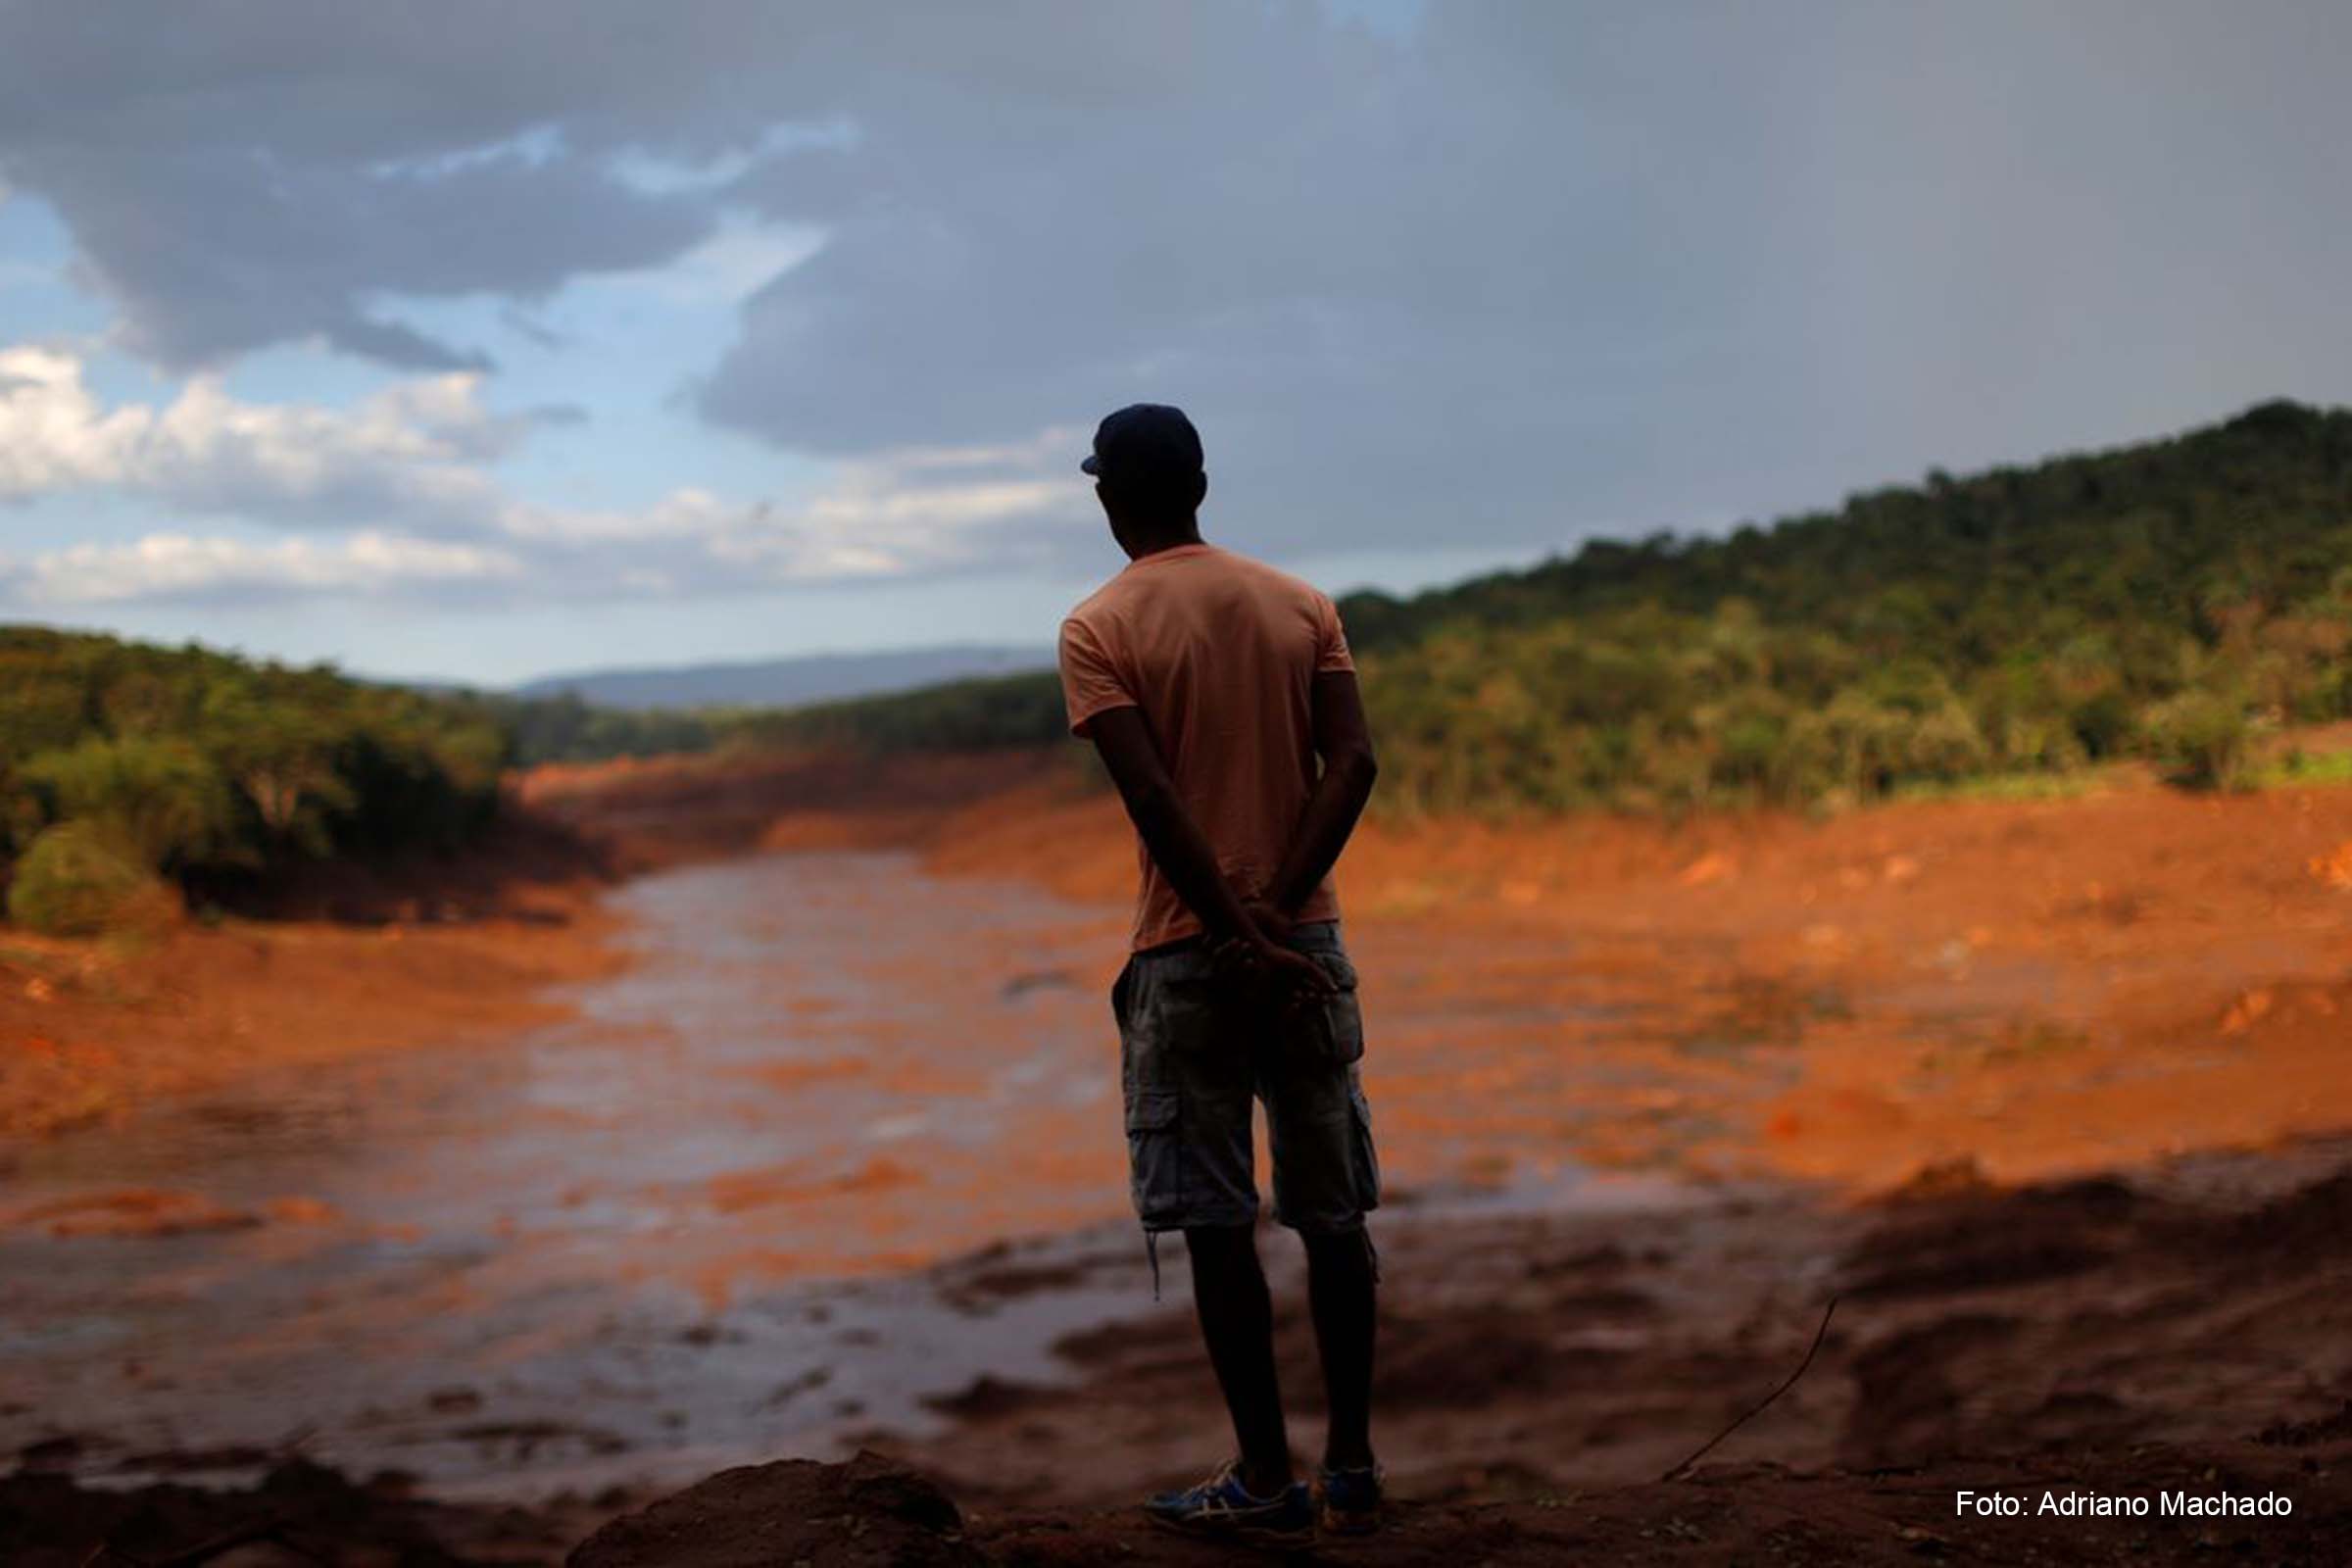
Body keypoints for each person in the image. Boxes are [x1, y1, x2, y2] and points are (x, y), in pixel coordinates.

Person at [1056, 403, 1385, 1544]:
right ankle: (1351, 1467)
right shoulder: (1303, 605)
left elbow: (1152, 797)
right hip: (1307, 944)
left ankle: (1262, 1479)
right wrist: (1282, 915)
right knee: (1332, 1214)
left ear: (1109, 498)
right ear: (1203, 481)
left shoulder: (1098, 627)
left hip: (1186, 953)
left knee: (1214, 1221)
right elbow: (1354, 760)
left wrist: (1236, 934)